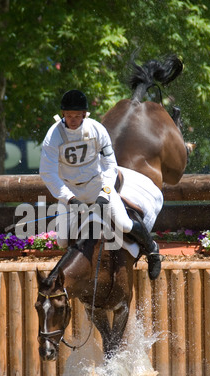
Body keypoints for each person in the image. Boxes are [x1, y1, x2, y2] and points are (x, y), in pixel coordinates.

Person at [40, 90, 162, 280]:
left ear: (84, 114)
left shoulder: (97, 130)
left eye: (77, 116)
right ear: (63, 114)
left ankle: (153, 250)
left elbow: (110, 165)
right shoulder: (53, 135)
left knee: (124, 224)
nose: (72, 120)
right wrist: (70, 199)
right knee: (62, 241)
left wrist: (105, 193)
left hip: (97, 185)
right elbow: (47, 173)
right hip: (70, 190)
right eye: (69, 116)